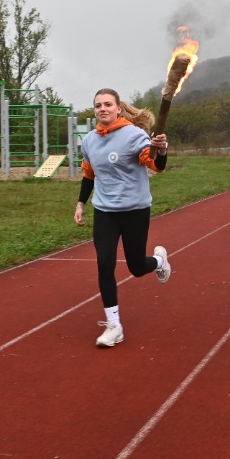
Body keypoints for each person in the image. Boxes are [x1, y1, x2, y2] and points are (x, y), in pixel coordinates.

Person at [74, 88, 172, 347]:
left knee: (137, 267)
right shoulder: (89, 141)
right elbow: (89, 174)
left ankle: (158, 261)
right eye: (98, 105)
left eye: (107, 104)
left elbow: (154, 165)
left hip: (134, 210)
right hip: (105, 212)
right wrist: (81, 203)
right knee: (104, 263)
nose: (102, 109)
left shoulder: (134, 135)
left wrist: (160, 151)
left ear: (118, 108)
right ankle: (114, 325)